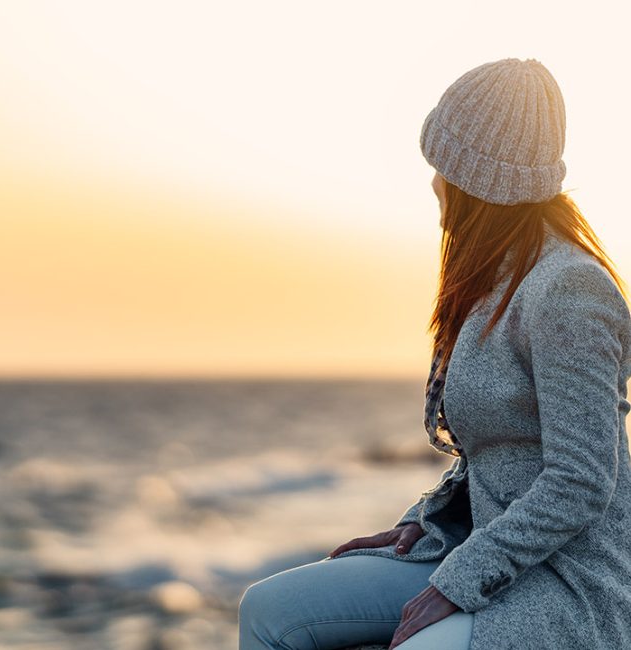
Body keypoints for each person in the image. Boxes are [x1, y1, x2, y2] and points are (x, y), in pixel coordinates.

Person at [238, 57, 631, 650]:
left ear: (476, 182)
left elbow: (581, 480)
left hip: (566, 578)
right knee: (269, 610)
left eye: (443, 167)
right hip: (477, 545)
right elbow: (495, 456)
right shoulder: (496, 281)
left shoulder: (568, 289)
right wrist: (420, 524)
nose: (433, 182)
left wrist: (460, 582)